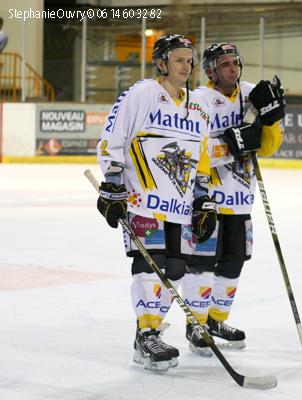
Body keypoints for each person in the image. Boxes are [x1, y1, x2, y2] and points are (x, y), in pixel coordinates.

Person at [95, 34, 217, 372]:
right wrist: (113, 182)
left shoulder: (198, 105)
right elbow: (113, 136)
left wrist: (203, 197)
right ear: (161, 63)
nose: (186, 66)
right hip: (142, 200)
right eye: (178, 59)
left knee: (175, 269)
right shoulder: (143, 93)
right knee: (150, 265)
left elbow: (201, 155)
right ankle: (147, 335)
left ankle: (150, 332)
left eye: (189, 60)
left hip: (180, 204)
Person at [181, 42, 285, 356]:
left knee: (233, 263)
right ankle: (196, 324)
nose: (232, 69)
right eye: (224, 64)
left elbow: (267, 148)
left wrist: (271, 120)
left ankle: (215, 320)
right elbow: (191, 148)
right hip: (207, 199)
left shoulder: (251, 93)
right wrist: (230, 146)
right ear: (210, 70)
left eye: (235, 62)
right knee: (202, 265)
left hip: (241, 198)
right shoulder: (199, 99)